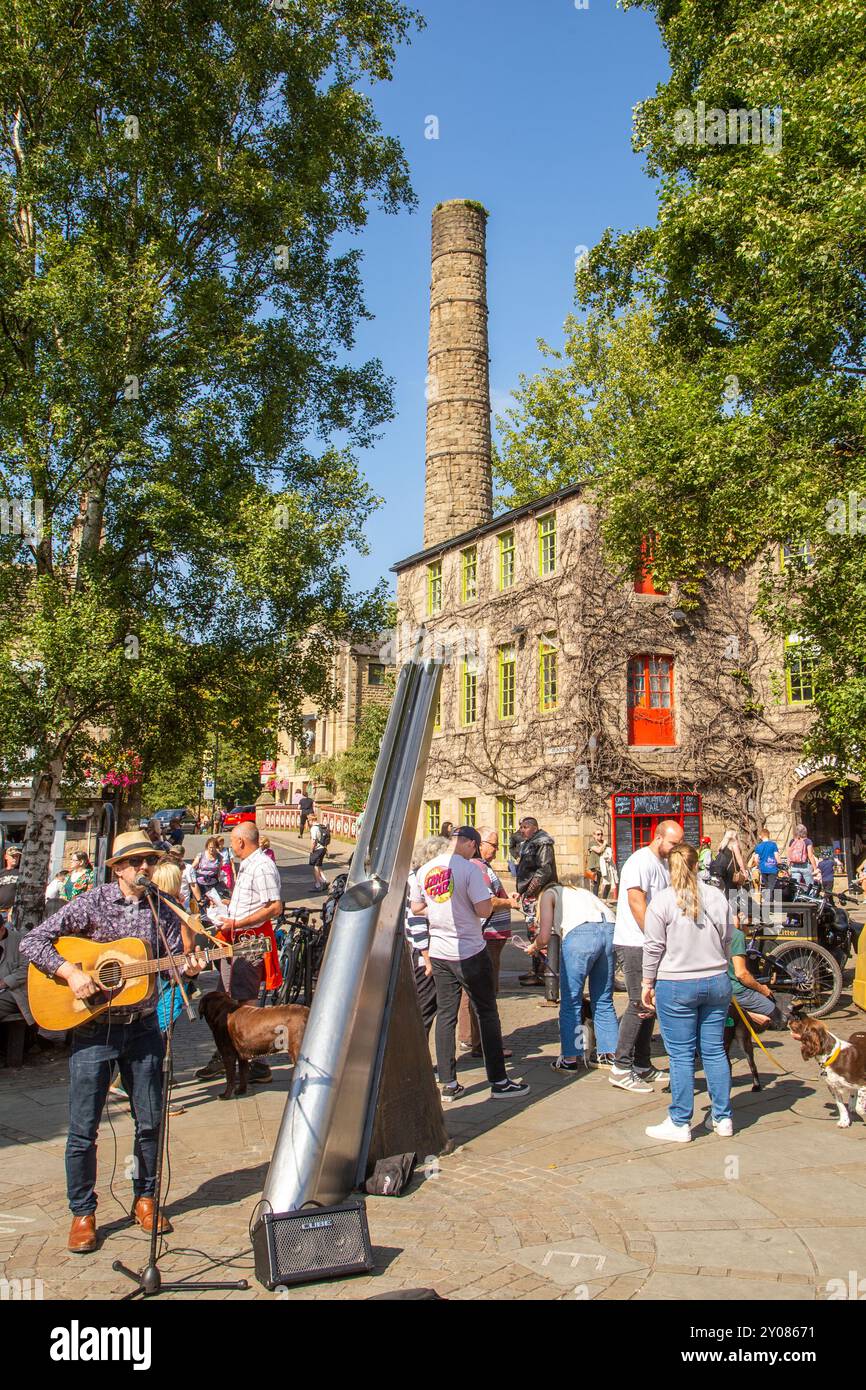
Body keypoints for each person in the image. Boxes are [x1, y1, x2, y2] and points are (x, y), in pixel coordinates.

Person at [19, 830, 203, 1252]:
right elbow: (33, 941)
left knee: (150, 1122)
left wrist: (190, 969)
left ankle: (145, 1198)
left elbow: (176, 963)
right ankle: (82, 1212)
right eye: (136, 862)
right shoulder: (93, 902)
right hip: (93, 1030)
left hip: (143, 1029)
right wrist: (72, 973)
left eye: (150, 861)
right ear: (118, 867)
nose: (145, 868)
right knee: (83, 1129)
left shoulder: (163, 907)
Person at [412, 826, 529, 1102]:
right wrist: (466, 907)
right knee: (487, 1012)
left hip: (440, 952)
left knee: (446, 1015)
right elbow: (484, 909)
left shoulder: (425, 870)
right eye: (474, 846)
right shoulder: (468, 870)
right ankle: (499, 1081)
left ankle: (449, 1083)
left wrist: (439, 909)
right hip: (469, 950)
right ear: (470, 844)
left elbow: (417, 908)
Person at [641, 842, 734, 1142]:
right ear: (698, 865)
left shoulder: (662, 902)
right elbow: (729, 936)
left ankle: (680, 1121)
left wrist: (646, 983)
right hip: (716, 980)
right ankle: (722, 1117)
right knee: (714, 1051)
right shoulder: (717, 896)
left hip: (676, 983)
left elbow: (653, 946)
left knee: (680, 1055)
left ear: (670, 868)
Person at [194, 822, 283, 1085]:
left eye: (232, 841)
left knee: (245, 1004)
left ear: (241, 842)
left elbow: (274, 907)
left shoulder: (262, 866)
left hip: (249, 941)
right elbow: (251, 903)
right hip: (236, 939)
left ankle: (256, 1062)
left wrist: (238, 923)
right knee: (229, 1000)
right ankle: (230, 1055)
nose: (231, 846)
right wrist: (226, 908)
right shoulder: (248, 864)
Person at [610, 819, 684, 1092]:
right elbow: (635, 901)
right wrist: (654, 937)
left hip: (651, 944)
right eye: (672, 843)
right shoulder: (640, 861)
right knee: (638, 1003)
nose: (675, 849)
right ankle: (620, 1067)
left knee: (650, 1001)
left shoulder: (663, 864)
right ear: (658, 837)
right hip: (635, 942)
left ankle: (642, 1064)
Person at [531, 875, 618, 1072]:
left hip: (580, 934)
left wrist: (533, 946)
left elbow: (544, 937)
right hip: (610, 929)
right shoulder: (581, 892)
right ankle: (609, 1054)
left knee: (571, 1000)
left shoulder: (549, 894)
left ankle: (570, 1057)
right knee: (604, 999)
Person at [457, 827, 514, 1059]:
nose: (496, 849)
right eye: (493, 844)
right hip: (487, 937)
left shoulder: (482, 867)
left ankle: (470, 1038)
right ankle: (483, 1043)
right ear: (479, 845)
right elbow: (487, 901)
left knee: (473, 991)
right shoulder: (478, 867)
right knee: (486, 991)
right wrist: (511, 903)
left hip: (490, 937)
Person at [405, 835, 450, 1036]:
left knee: (425, 1007)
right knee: (424, 1009)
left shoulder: (415, 877)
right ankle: (411, 1061)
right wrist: (427, 958)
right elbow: (416, 921)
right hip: (423, 952)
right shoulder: (419, 880)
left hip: (419, 950)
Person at [514, 817, 558, 986]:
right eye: (521, 827)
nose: (522, 830)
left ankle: (546, 972)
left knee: (540, 931)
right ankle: (537, 970)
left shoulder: (543, 842)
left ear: (534, 827)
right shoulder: (530, 842)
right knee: (532, 931)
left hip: (540, 895)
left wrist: (531, 890)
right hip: (530, 894)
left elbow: (544, 869)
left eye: (525, 827)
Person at [748, 827, 780, 900]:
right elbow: (777, 856)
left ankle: (769, 902)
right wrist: (780, 865)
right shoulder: (773, 845)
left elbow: (756, 860)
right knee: (771, 886)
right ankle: (768, 902)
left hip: (763, 869)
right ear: (769, 835)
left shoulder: (758, 846)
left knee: (768, 886)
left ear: (760, 836)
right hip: (772, 868)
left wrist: (759, 866)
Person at [787, 823, 819, 888]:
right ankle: (809, 897)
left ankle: (797, 897)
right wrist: (815, 868)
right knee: (810, 886)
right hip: (805, 866)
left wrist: (788, 867)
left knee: (795, 886)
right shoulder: (808, 841)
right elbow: (810, 856)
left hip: (794, 866)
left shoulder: (792, 841)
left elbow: (789, 855)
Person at [308, 815, 330, 892]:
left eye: (308, 821)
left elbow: (314, 840)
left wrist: (311, 849)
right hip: (323, 848)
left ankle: (318, 885)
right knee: (319, 865)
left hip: (317, 849)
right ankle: (324, 881)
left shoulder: (314, 828)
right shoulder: (321, 826)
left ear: (311, 820)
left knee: (315, 867)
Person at [0, 845, 22, 917]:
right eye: (13, 856)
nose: (15, 859)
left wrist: (14, 908)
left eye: (17, 856)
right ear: (6, 857)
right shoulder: (1, 873)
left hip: (13, 912)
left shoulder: (21, 873)